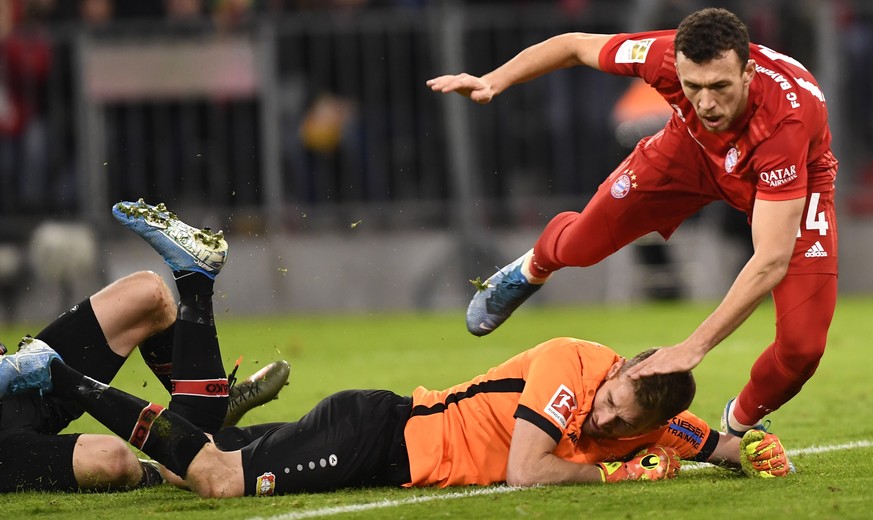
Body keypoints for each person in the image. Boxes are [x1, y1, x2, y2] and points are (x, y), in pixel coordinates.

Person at [0, 200, 791, 498]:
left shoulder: (644, 414)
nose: (604, 418)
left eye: (620, 423)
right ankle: (69, 370)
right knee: (206, 478)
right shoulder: (572, 368)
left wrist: (750, 446)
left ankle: (187, 343)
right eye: (611, 401)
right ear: (617, 367)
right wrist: (618, 474)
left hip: (378, 436)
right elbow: (527, 470)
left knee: (182, 455)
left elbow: (703, 440)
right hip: (378, 437)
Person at [427, 7, 837, 438]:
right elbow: (573, 46)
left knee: (802, 349)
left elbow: (770, 260)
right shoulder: (661, 56)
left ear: (748, 73)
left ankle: (739, 427)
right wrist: (496, 80)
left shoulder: (784, 123)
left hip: (794, 180)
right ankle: (533, 268)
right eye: (693, 86)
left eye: (720, 86)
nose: (706, 103)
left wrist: (694, 346)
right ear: (677, 67)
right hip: (690, 153)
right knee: (581, 245)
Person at [0, 201, 290, 492]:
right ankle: (189, 443)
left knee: (147, 293)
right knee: (113, 460)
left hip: (14, 383)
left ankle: (195, 279)